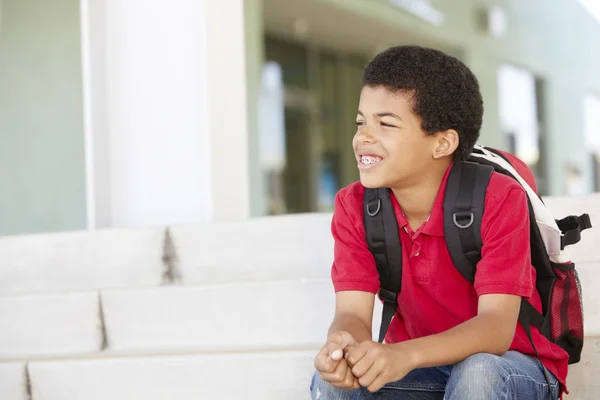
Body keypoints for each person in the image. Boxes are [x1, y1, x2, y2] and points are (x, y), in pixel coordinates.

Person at [310, 45, 568, 400]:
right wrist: (343, 345)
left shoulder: (497, 198)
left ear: (442, 142)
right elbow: (353, 313)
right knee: (330, 382)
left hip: (510, 368)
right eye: (361, 121)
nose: (363, 137)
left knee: (476, 372)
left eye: (385, 123)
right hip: (418, 369)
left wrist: (403, 354)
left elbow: (495, 330)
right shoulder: (354, 205)